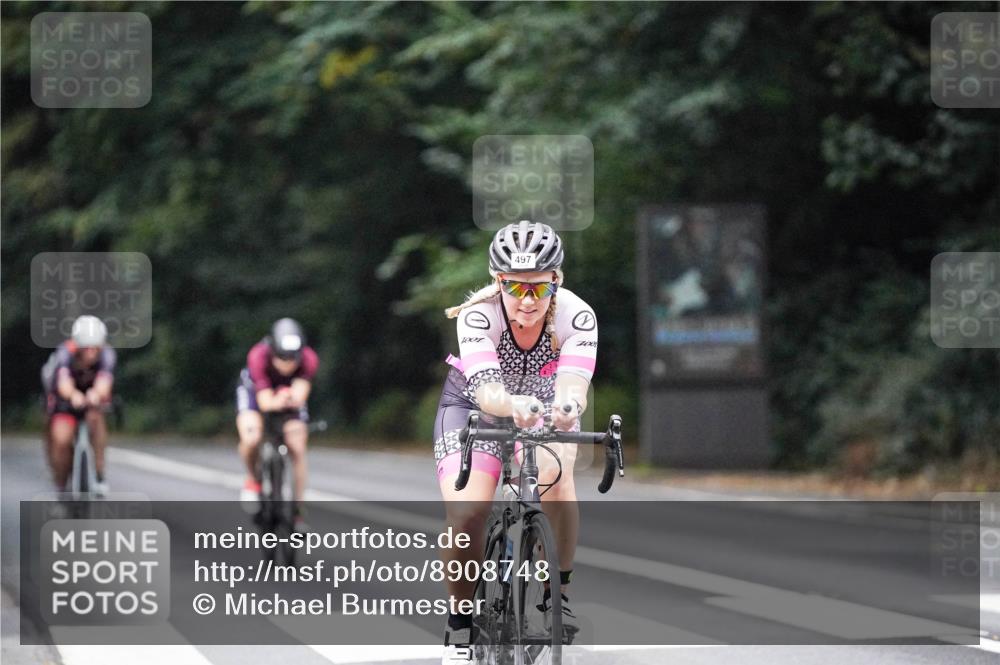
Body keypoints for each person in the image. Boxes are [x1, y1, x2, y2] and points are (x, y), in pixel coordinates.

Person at [434, 221, 598, 662]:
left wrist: (566, 408)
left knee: (557, 477)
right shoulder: (478, 315)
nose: (527, 302)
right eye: (515, 289)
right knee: (468, 511)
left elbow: (574, 385)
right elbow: (489, 392)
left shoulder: (576, 316)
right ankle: (461, 623)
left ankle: (556, 593)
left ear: (556, 284)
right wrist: (512, 405)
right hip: (473, 406)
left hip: (541, 405)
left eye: (539, 290)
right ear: (497, 282)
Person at [235, 318, 318, 527]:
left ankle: (298, 511)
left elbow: (300, 393)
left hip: (285, 396)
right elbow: (264, 402)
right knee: (251, 436)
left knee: (297, 446)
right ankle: (253, 479)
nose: (288, 364)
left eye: (293, 359)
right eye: (282, 358)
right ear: (272, 351)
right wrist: (277, 400)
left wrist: (291, 399)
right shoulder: (258, 356)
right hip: (257, 393)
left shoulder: (309, 359)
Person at [42, 315, 116, 495]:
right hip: (64, 400)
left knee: (96, 419)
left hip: (91, 398)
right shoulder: (64, 352)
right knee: (62, 439)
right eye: (86, 348)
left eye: (94, 348)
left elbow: (105, 381)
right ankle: (61, 482)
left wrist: (96, 394)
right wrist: (73, 395)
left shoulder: (107, 354)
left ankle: (99, 474)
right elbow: (63, 382)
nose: (90, 352)